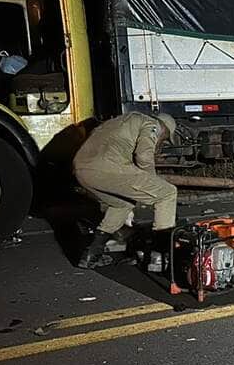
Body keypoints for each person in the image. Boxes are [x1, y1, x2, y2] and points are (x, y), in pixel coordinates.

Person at [73, 112, 178, 268]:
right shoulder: (151, 124)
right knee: (167, 193)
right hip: (107, 167)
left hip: (82, 170)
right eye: (164, 139)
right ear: (164, 129)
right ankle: (160, 253)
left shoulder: (119, 120)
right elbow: (143, 156)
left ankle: (92, 254)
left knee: (122, 204)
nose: (161, 143)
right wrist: (152, 182)